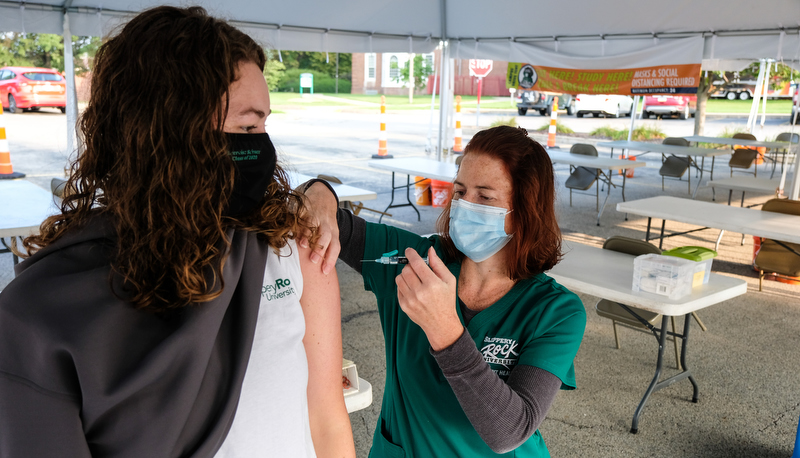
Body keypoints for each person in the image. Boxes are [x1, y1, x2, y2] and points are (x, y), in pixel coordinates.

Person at [0, 6, 355, 458]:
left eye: (264, 125)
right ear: (166, 130)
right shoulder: (40, 313)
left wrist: (319, 189)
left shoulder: (291, 246)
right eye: (247, 127)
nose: (263, 147)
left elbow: (326, 416)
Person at [303, 125, 586, 457]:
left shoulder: (555, 311)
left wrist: (445, 330)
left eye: (485, 196)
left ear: (525, 210)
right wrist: (318, 189)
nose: (465, 206)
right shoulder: (411, 260)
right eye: (460, 191)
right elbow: (327, 219)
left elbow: (509, 431)